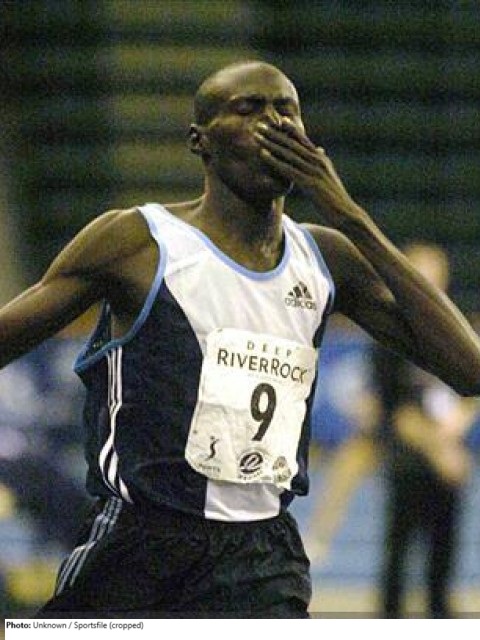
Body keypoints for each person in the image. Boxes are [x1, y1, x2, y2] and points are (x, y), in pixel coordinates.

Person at [0, 60, 479, 618]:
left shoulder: (325, 258)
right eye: (249, 109)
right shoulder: (139, 242)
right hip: (140, 549)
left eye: (286, 110)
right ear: (199, 141)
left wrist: (349, 216)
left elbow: (468, 370)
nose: (274, 124)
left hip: (262, 559)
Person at [373, 243, 477, 619]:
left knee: (443, 563)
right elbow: (397, 412)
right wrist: (439, 450)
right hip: (410, 462)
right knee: (397, 562)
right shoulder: (388, 331)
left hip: (450, 463)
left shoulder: (457, 327)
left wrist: (457, 429)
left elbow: (470, 391)